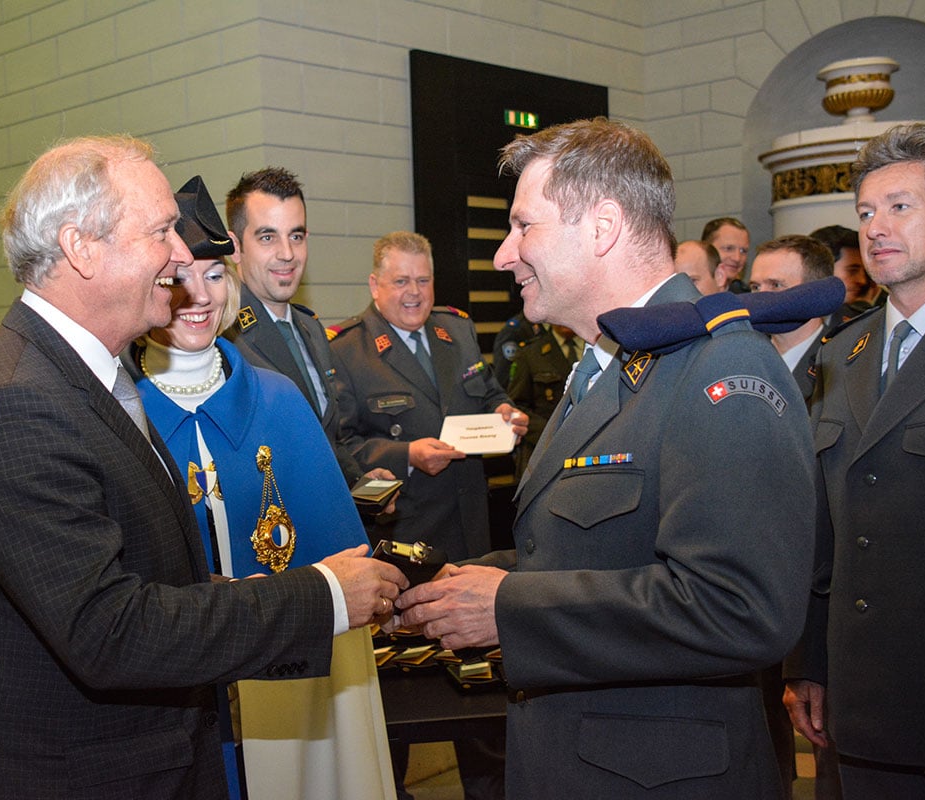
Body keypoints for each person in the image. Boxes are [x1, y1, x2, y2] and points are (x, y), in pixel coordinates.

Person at [0, 135, 407, 800]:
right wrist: (321, 597)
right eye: (161, 232)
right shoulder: (15, 406)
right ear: (81, 247)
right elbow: (110, 631)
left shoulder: (88, 379)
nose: (182, 256)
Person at [396, 118, 817, 799]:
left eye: (523, 226)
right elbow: (602, 546)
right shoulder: (607, 364)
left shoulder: (721, 367)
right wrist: (471, 581)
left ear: (601, 227)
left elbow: (740, 609)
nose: (505, 254)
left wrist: (509, 606)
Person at [121, 175, 396, 800]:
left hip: (286, 694)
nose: (199, 295)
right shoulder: (117, 412)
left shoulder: (278, 399)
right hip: (169, 698)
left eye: (216, 275)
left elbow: (339, 573)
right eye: (180, 276)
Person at [330, 230, 526, 800]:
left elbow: (486, 393)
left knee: (482, 699)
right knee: (402, 702)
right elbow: (339, 448)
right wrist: (404, 457)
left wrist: (505, 412)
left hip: (472, 539)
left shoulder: (456, 330)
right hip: (403, 547)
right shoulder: (344, 350)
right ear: (375, 284)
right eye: (401, 281)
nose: (414, 293)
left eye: (423, 280)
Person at [784, 122, 925, 799]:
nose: (876, 227)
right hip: (857, 702)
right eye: (865, 213)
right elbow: (821, 526)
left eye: (900, 207)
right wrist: (809, 662)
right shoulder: (840, 353)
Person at [222, 167, 366, 485]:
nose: (287, 254)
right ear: (235, 247)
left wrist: (361, 482)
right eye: (267, 237)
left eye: (296, 236)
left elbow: (325, 437)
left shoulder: (310, 328)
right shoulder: (223, 337)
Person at [750, 235, 835, 402]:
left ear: (814, 294)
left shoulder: (838, 360)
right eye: (755, 287)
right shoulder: (744, 357)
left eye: (776, 285)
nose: (760, 297)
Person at [505, 323, 583, 478]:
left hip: (591, 450)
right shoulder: (530, 353)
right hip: (544, 452)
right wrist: (552, 433)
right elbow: (517, 405)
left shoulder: (602, 348)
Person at [703, 216, 751, 292]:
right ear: (706, 250)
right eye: (728, 248)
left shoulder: (747, 298)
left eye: (743, 251)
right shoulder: (685, 295)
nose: (737, 258)